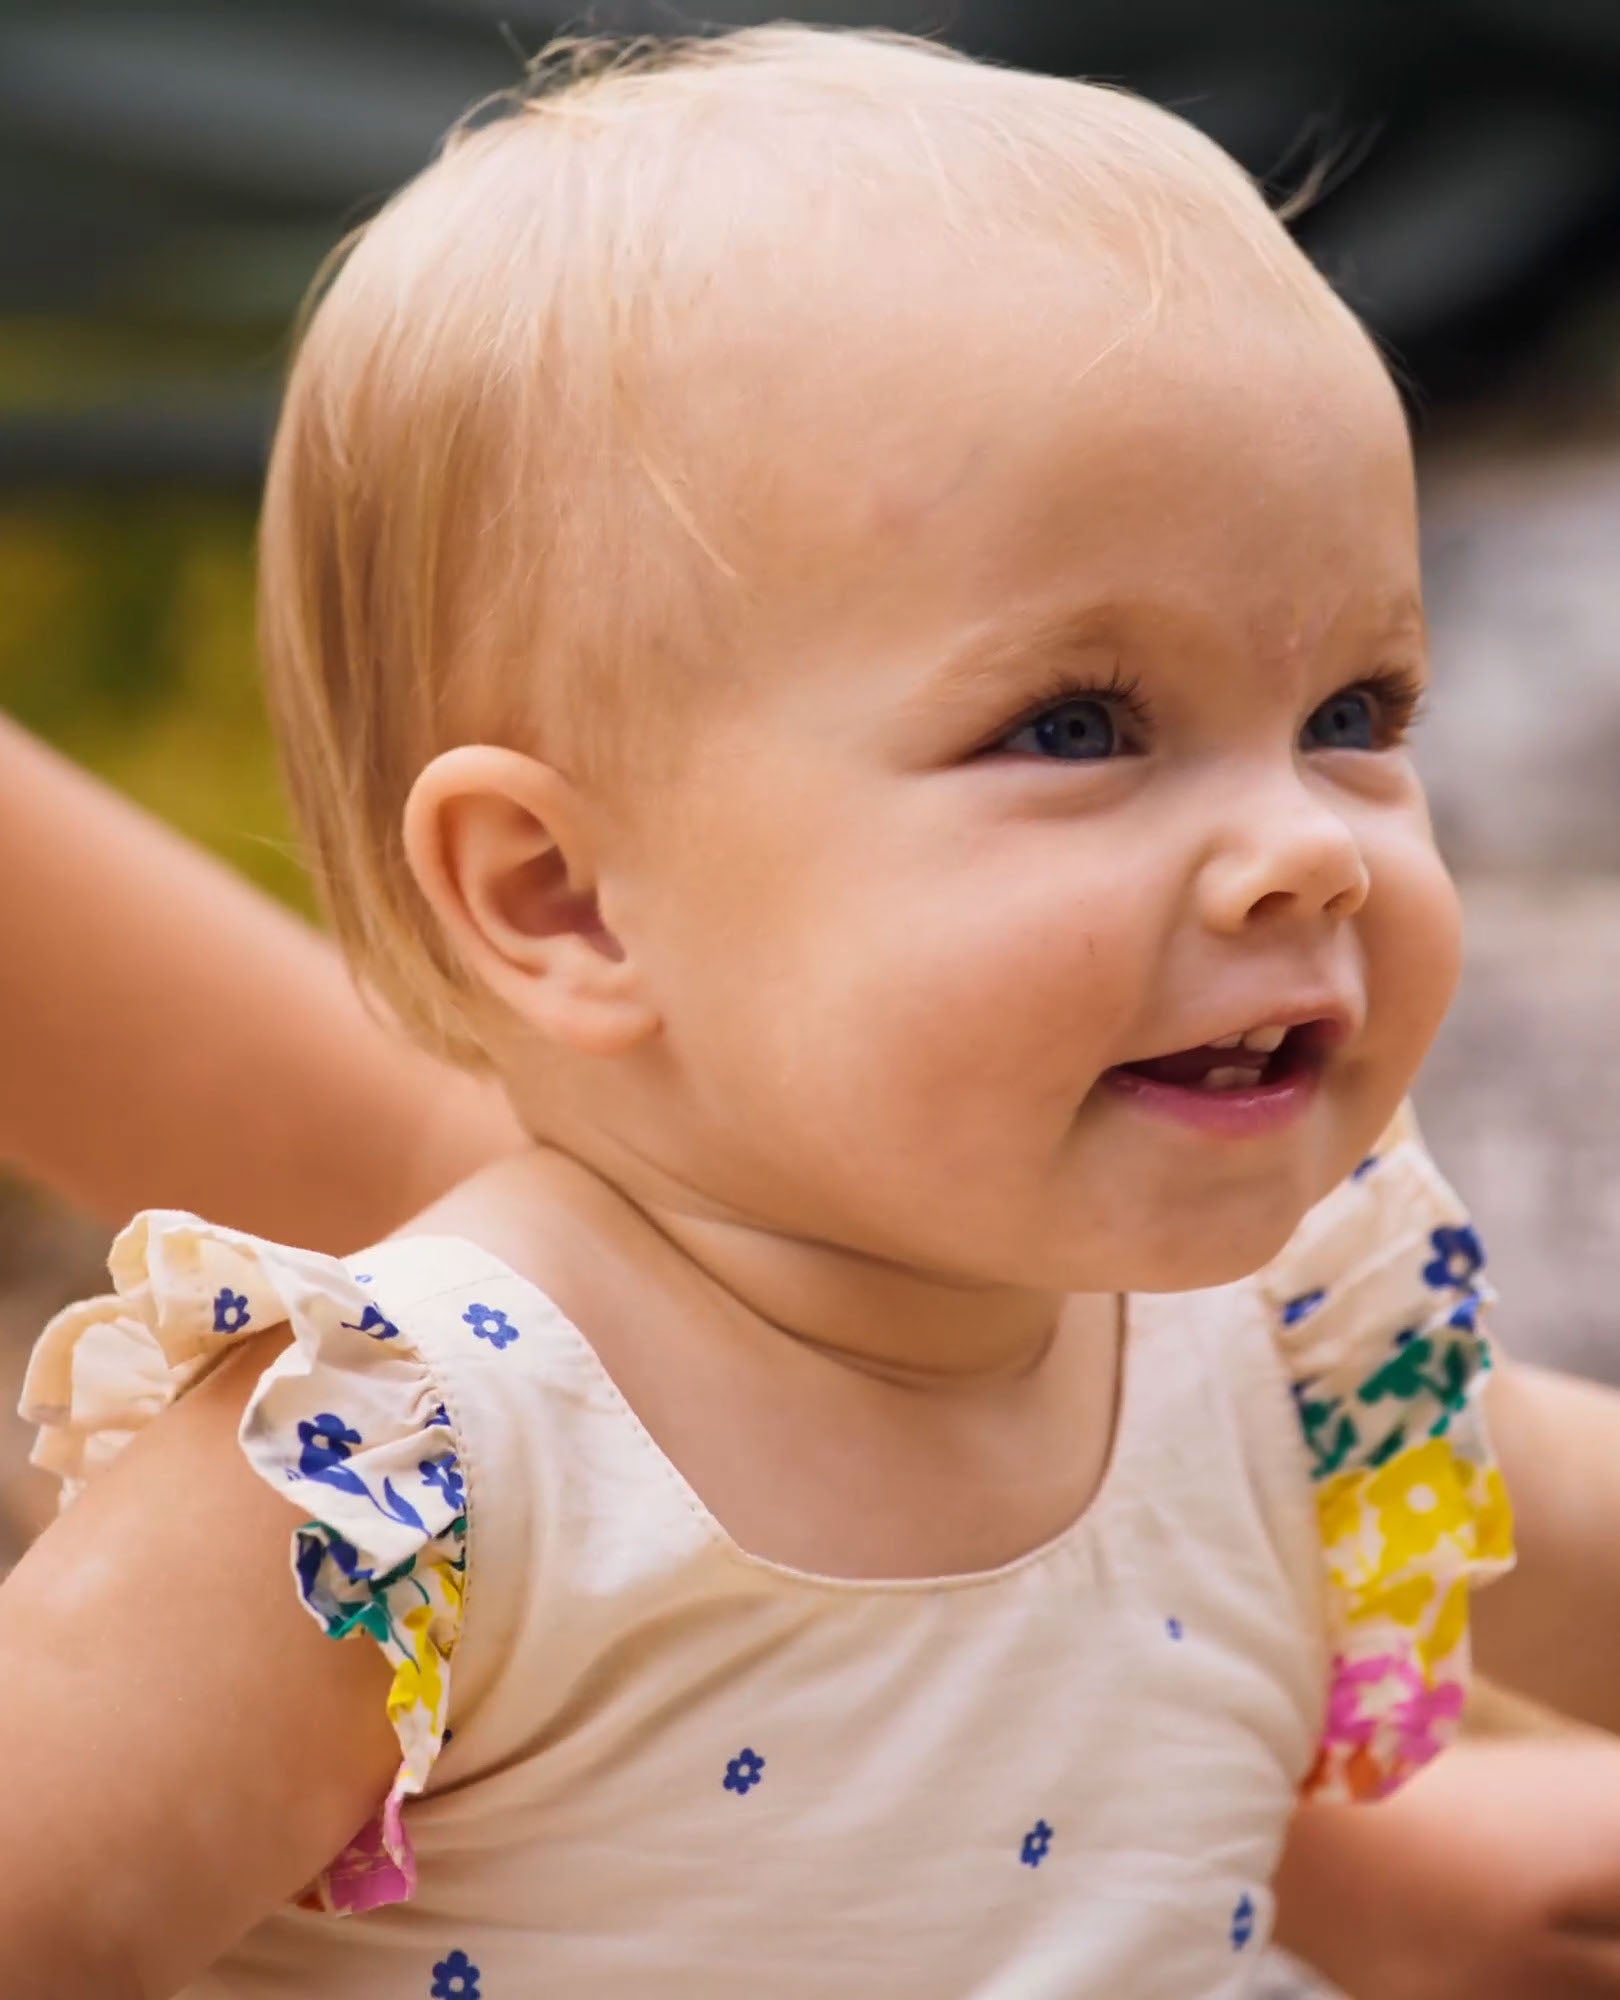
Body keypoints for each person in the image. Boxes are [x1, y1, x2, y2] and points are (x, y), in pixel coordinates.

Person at [3, 28, 1619, 1997]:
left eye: (1353, 714)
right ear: (564, 897)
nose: (1305, 848)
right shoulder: (395, 1478)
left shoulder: (1298, 1356)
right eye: (1079, 726)